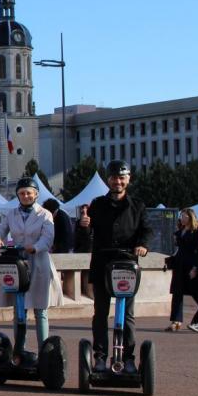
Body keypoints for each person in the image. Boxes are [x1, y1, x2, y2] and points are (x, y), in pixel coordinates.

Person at [78, 160, 151, 373]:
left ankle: (127, 358)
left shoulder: (137, 205)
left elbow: (147, 230)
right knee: (100, 313)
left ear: (128, 179)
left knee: (127, 315)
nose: (117, 182)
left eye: (121, 178)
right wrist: (84, 226)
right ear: (108, 180)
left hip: (127, 266)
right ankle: (100, 357)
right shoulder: (97, 204)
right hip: (102, 265)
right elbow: (85, 238)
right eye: (113, 178)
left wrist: (143, 245)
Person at [0, 178, 64, 350]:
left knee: (40, 309)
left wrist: (35, 247)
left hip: (38, 263)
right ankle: (19, 350)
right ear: (18, 195)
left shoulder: (44, 214)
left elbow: (48, 238)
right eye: (22, 193)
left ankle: (44, 350)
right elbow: (1, 229)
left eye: (29, 193)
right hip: (17, 264)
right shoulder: (11, 214)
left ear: (36, 194)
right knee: (19, 308)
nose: (25, 196)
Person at [165, 208, 198, 332]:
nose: (181, 218)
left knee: (196, 293)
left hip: (190, 265)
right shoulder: (180, 231)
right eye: (181, 216)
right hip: (179, 265)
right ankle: (176, 321)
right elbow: (178, 249)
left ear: (190, 218)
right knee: (177, 292)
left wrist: (196, 267)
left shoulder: (197, 231)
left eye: (184, 216)